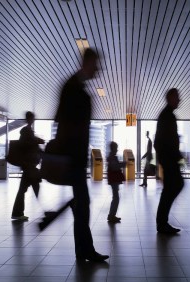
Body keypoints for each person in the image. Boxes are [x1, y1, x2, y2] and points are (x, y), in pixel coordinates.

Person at [54, 48, 109, 262]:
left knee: (83, 203)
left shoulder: (74, 86)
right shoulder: (74, 88)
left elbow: (61, 118)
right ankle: (85, 251)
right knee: (83, 203)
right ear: (87, 63)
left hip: (74, 157)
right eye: (96, 64)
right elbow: (66, 122)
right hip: (73, 157)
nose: (98, 68)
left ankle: (84, 250)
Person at [154, 88, 184, 234]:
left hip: (169, 159)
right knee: (174, 186)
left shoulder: (167, 115)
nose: (179, 99)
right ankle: (161, 223)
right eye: (177, 97)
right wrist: (172, 156)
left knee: (170, 188)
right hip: (169, 160)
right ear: (170, 98)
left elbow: (160, 141)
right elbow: (163, 141)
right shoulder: (167, 116)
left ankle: (162, 223)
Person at [11, 111, 45, 220]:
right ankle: (18, 213)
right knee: (31, 188)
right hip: (29, 166)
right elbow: (27, 145)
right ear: (29, 119)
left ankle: (17, 213)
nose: (33, 120)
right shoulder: (26, 131)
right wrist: (37, 141)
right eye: (32, 118)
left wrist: (36, 142)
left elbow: (29, 146)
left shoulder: (28, 131)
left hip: (29, 166)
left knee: (26, 189)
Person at [107, 141, 125, 223]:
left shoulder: (112, 156)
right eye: (116, 148)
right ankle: (111, 215)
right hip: (114, 179)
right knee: (116, 198)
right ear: (113, 148)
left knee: (115, 197)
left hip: (113, 179)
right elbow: (114, 167)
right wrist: (123, 164)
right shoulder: (112, 157)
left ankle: (111, 215)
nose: (117, 150)